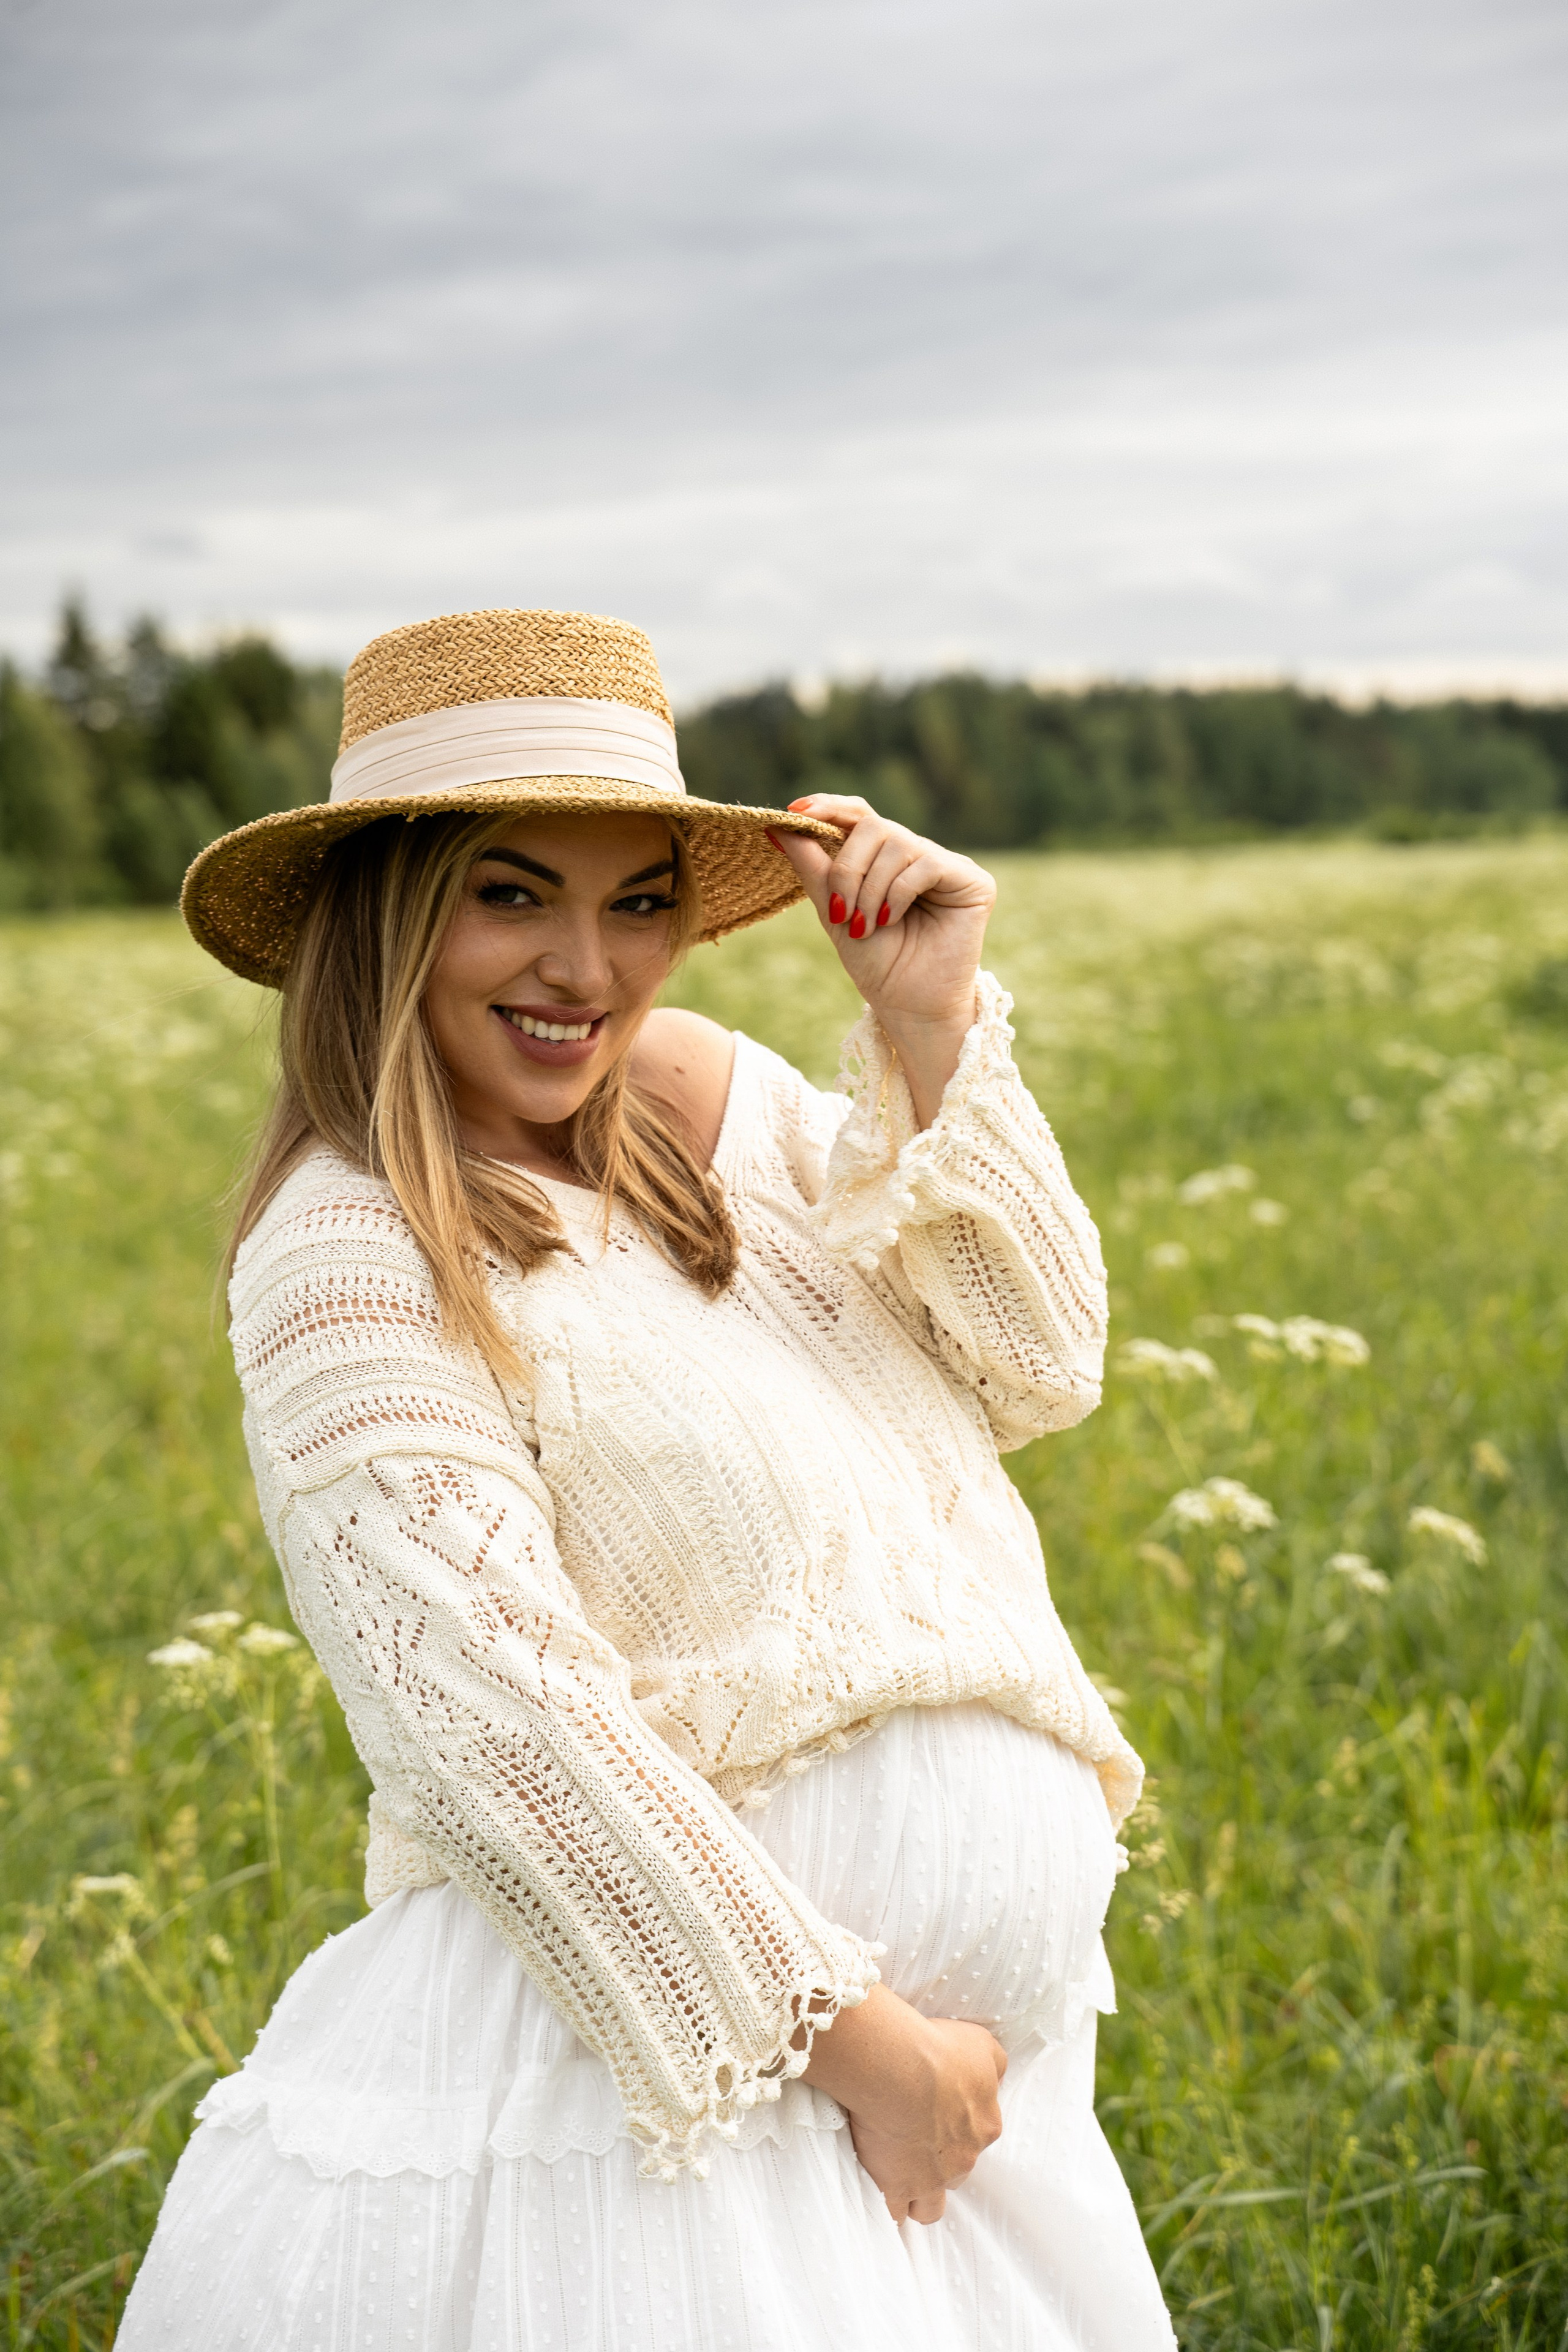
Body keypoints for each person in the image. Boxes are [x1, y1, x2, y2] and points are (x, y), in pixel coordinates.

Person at [119, 607, 1174, 2350]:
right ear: (386, 905)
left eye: (636, 902)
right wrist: (864, 2046)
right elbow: (499, 1725)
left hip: (941, 2110)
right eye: (511, 892)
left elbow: (1038, 1361)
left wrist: (932, 1021)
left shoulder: (719, 1100)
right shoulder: (346, 1249)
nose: (585, 971)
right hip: (650, 2114)